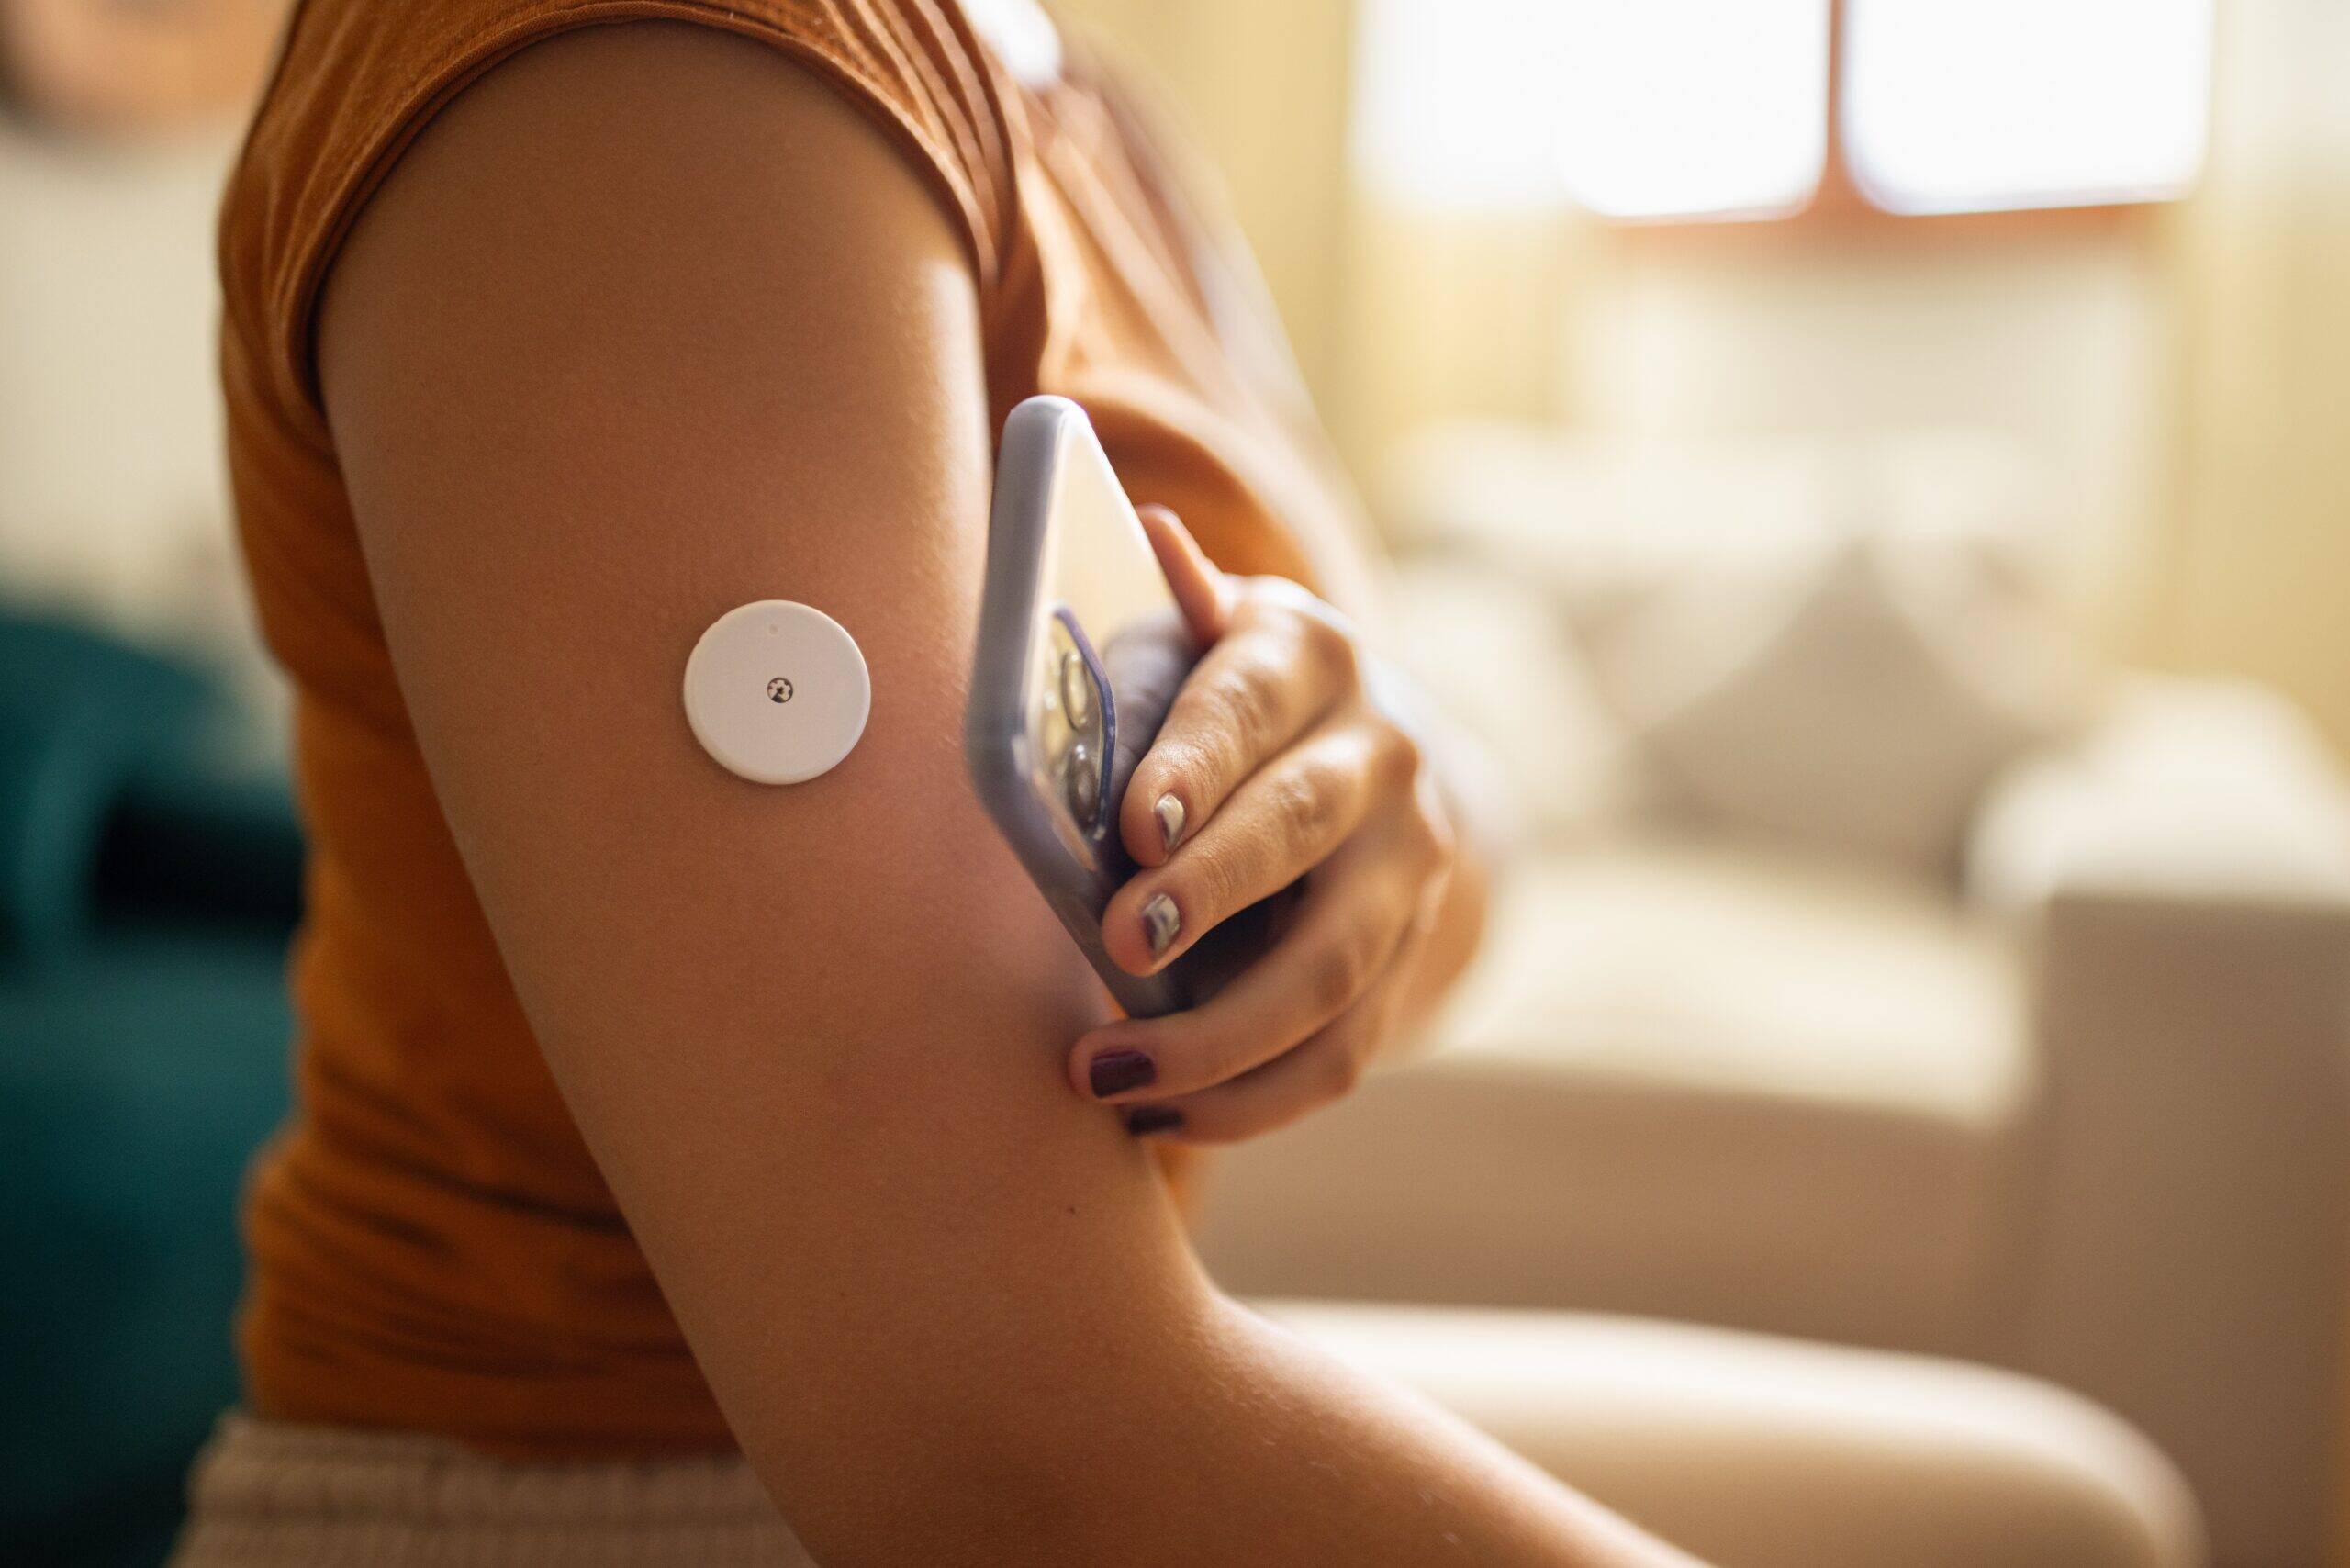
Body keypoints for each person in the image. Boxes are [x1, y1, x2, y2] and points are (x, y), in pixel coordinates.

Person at [172, 2, 1704, 1562]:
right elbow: (993, 1440)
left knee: (1975, 1492)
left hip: (1066, 1406)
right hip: (599, 1488)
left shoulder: (1092, 108)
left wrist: (1374, 805)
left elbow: (1447, 818)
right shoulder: (642, 68)